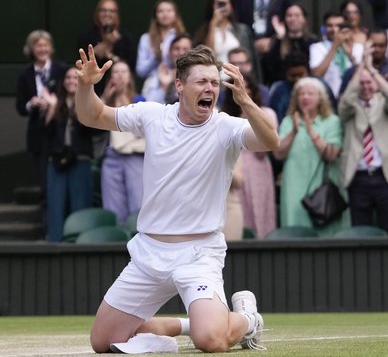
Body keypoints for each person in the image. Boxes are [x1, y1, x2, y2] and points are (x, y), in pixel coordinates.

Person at [75, 43, 278, 353]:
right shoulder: (152, 114)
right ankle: (190, 324)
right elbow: (93, 115)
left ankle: (248, 320)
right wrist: (86, 85)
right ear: (180, 85)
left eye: (214, 82)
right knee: (103, 341)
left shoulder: (226, 126)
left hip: (199, 254)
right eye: (202, 81)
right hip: (149, 254)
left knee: (210, 340)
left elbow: (270, 141)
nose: (210, 88)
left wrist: (246, 102)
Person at [273, 77, 347, 237]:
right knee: (295, 234)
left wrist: (310, 129)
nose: (305, 97)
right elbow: (278, 154)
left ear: (321, 98)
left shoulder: (332, 121)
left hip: (322, 188)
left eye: (310, 94)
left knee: (325, 235)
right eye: (301, 94)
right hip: (294, 188)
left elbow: (331, 155)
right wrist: (293, 131)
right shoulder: (288, 121)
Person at [339, 58, 388, 235]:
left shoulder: (384, 103)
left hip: (385, 175)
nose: (365, 87)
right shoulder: (349, 106)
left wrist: (373, 72)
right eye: (361, 83)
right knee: (361, 230)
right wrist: (360, 69)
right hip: (358, 176)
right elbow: (345, 103)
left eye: (369, 82)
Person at [42, 67, 97, 242]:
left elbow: (89, 130)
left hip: (80, 159)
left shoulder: (88, 101)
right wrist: (51, 109)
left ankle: (81, 244)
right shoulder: (55, 102)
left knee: (80, 205)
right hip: (56, 160)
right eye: (67, 77)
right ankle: (54, 243)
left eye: (75, 77)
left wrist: (79, 104)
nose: (71, 80)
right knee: (55, 205)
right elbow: (45, 133)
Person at [221, 72, 277, 239]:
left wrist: (249, 112)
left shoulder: (266, 113)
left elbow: (267, 147)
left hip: (257, 169)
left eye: (246, 89)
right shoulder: (225, 117)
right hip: (233, 170)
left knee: (260, 214)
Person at [15, 30, 68, 205]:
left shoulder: (62, 70)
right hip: (38, 133)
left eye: (45, 45)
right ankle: (47, 224)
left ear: (51, 48)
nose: (42, 49)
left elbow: (71, 94)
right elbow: (20, 107)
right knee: (45, 180)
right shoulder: (25, 75)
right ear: (31, 49)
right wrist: (33, 103)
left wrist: (54, 103)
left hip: (60, 130)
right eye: (38, 45)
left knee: (62, 178)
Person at [100, 61, 146, 227]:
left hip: (135, 157)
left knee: (138, 205)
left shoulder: (139, 101)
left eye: (123, 71)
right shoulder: (105, 103)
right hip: (112, 158)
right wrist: (105, 97)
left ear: (130, 77)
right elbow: (91, 120)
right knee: (113, 209)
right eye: (115, 72)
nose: (119, 75)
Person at [77, 0, 136, 95]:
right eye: (103, 10)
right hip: (93, 88)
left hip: (121, 90)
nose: (107, 14)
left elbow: (129, 67)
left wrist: (110, 56)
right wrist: (107, 43)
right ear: (97, 13)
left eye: (112, 11)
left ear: (117, 15)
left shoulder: (125, 38)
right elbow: (83, 62)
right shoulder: (86, 36)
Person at [194, 0, 260, 74]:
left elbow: (251, 60)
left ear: (231, 7)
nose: (222, 7)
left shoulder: (242, 30)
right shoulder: (204, 32)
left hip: (238, 78)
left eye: (224, 3)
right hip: (215, 78)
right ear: (212, 6)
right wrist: (213, 24)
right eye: (219, 4)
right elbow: (208, 54)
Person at [339, 29, 388, 96]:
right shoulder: (353, 71)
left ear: (386, 46)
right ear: (366, 44)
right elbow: (341, 99)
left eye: (381, 46)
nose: (377, 49)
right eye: (373, 45)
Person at [261, 4, 318, 85]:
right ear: (285, 19)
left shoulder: (312, 40)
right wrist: (280, 38)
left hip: (308, 83)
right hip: (282, 83)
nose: (293, 19)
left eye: (297, 15)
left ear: (304, 19)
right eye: (289, 15)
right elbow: (270, 67)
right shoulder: (277, 39)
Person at [309, 11, 364, 97]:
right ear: (324, 28)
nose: (334, 29)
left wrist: (350, 55)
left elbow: (363, 75)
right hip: (326, 97)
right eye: (330, 26)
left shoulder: (358, 47)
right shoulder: (317, 47)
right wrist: (334, 47)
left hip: (353, 97)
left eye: (338, 26)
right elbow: (316, 76)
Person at [135, 0, 186, 80]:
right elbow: (140, 72)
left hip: (175, 85)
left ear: (176, 15)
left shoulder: (181, 38)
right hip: (152, 88)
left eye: (169, 11)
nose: (165, 14)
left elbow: (187, 67)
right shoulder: (146, 39)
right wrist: (154, 59)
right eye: (161, 11)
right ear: (155, 16)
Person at [142, 33, 193, 104]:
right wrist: (163, 86)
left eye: (185, 49)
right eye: (176, 48)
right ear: (170, 52)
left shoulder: (199, 76)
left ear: (192, 52)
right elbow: (148, 106)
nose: (181, 52)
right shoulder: (156, 77)